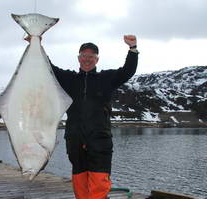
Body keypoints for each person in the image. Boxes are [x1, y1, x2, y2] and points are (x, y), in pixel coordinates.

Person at [26, 35, 138, 199]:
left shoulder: (106, 78)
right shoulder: (69, 79)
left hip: (100, 140)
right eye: (84, 56)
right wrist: (37, 44)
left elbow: (128, 71)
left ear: (96, 60)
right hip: (75, 139)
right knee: (79, 182)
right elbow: (48, 67)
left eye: (91, 57)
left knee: (99, 182)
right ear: (78, 58)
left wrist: (133, 49)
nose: (87, 59)